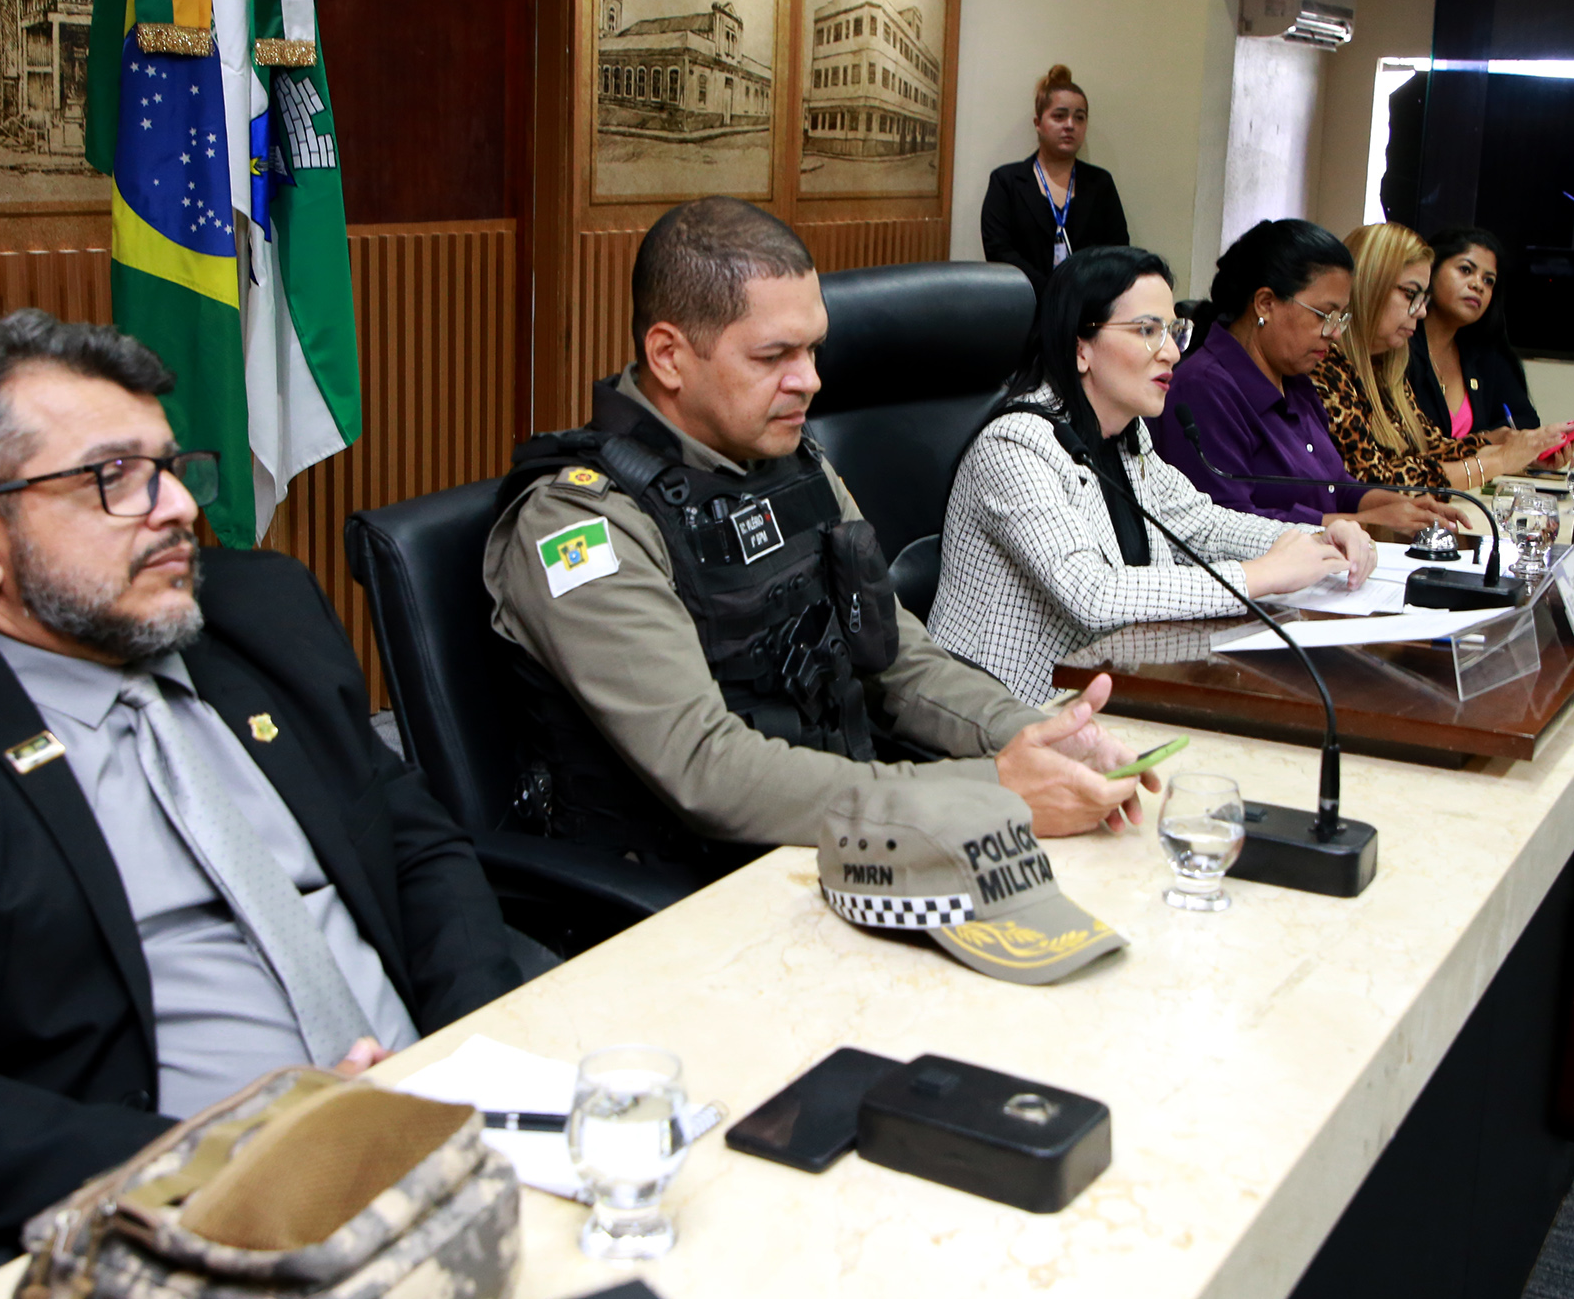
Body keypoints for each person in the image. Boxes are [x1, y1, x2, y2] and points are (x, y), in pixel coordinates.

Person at [0, 312, 521, 1242]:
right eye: (113, 477)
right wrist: (212, 1159)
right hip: (187, 1219)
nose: (179, 509)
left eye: (169, 465)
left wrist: (473, 1056)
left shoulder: (258, 607)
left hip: (451, 1128)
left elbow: (416, 844)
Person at [484, 197, 1153, 872]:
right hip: (688, 891)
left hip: (831, 846)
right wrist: (991, 791)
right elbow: (707, 767)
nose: (810, 380)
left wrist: (1037, 737)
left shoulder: (796, 467)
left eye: (812, 349)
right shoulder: (582, 524)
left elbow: (897, 660)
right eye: (774, 355)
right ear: (669, 356)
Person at [931, 245, 1375, 705]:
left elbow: (1203, 526)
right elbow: (1092, 593)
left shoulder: (1126, 435)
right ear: (1080, 347)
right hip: (1008, 710)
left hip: (1114, 684)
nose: (1172, 353)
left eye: (1173, 331)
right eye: (1147, 330)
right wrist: (1258, 576)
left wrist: (1315, 542)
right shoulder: (1014, 446)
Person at [1149, 218, 1465, 533]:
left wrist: (1398, 504)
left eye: (1341, 317)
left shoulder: (1295, 379)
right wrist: (1362, 522)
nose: (1335, 333)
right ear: (1265, 304)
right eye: (1325, 315)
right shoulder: (1204, 388)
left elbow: (1334, 485)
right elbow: (1226, 523)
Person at [1315, 224, 1569, 494]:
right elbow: (1374, 482)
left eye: (1422, 298)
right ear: (1369, 286)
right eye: (1410, 295)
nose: (1421, 311)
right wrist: (1500, 460)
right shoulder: (1324, 364)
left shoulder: (1385, 365)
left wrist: (1520, 447)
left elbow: (1432, 449)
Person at [980, 65, 1132, 296]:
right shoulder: (1006, 182)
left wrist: (1079, 296)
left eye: (1079, 118)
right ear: (1038, 123)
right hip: (1025, 305)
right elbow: (999, 252)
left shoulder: (1100, 183)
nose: (1070, 125)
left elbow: (1118, 253)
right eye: (1059, 116)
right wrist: (1051, 294)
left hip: (1087, 307)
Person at [1409, 228, 1550, 439]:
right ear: (1431, 270)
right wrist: (1484, 442)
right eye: (1465, 270)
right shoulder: (1399, 345)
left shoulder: (1483, 355)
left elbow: (1526, 422)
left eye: (1488, 281)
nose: (1478, 285)